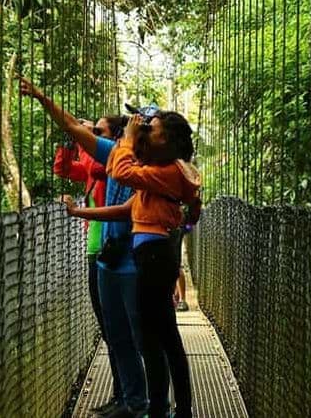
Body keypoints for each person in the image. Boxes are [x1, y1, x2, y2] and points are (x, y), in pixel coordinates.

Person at [19, 77, 147, 418]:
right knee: (115, 332)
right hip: (106, 256)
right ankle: (128, 400)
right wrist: (45, 99)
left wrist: (79, 210)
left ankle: (144, 403)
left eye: (104, 132)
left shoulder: (141, 167)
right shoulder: (114, 155)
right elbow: (66, 159)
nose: (99, 136)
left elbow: (123, 203)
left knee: (138, 337)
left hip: (132, 259)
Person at [107, 111, 202, 418]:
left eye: (156, 132)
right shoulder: (175, 169)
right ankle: (176, 409)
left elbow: (121, 172)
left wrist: (129, 138)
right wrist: (132, 141)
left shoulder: (168, 173)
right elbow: (195, 205)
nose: (150, 135)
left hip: (153, 257)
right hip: (157, 255)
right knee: (164, 335)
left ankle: (160, 409)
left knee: (152, 337)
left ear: (171, 142)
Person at [52, 117, 127, 414]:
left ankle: (128, 396)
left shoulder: (114, 162)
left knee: (116, 329)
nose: (92, 136)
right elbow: (62, 169)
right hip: (95, 249)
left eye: (98, 133)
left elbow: (97, 165)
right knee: (109, 328)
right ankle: (121, 393)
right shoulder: (93, 166)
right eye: (92, 132)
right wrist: (72, 140)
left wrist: (80, 134)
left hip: (109, 251)